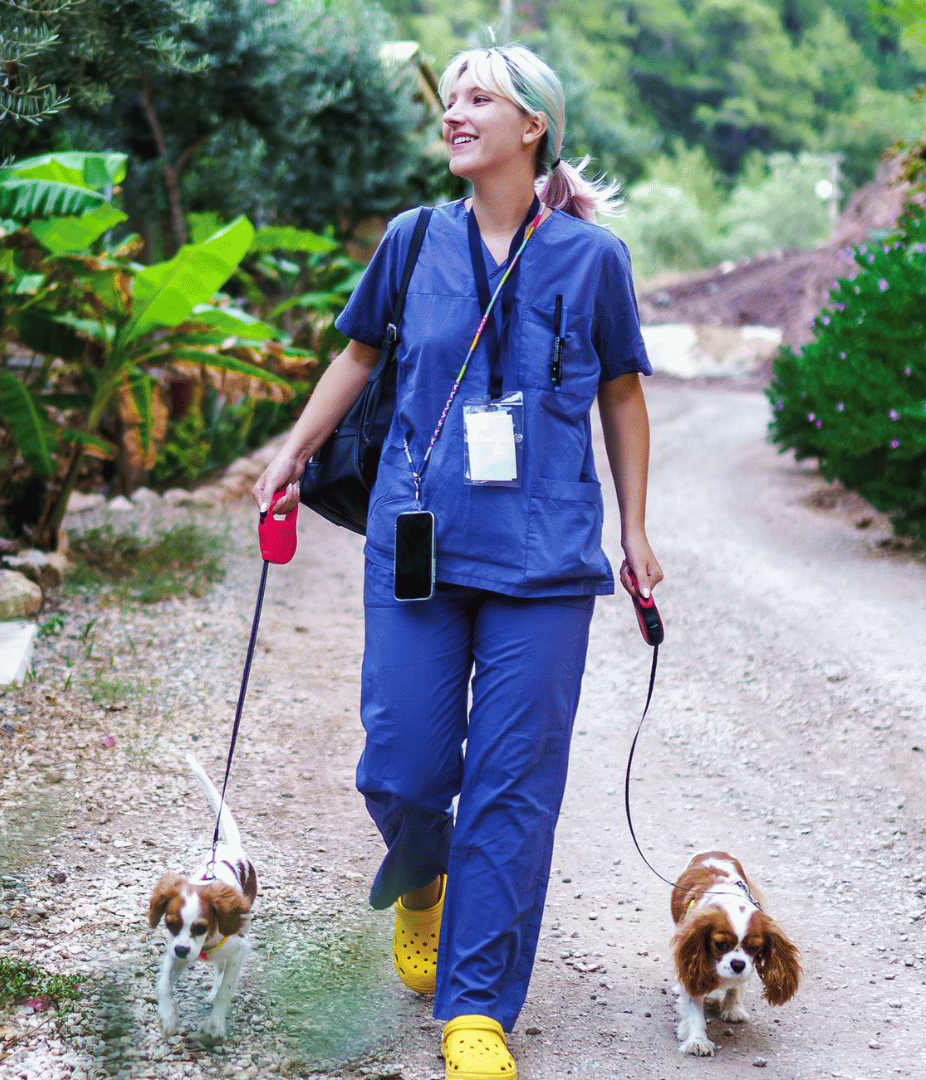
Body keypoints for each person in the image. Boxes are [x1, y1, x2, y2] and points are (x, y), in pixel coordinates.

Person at [253, 42, 662, 1080]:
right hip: (418, 543)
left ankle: (476, 1010)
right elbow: (359, 354)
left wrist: (636, 527)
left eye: (480, 98)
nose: (455, 113)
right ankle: (423, 874)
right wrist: (290, 454)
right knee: (403, 764)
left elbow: (621, 392)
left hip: (545, 562)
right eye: (453, 97)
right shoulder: (412, 240)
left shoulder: (591, 260)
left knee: (514, 786)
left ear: (535, 130)